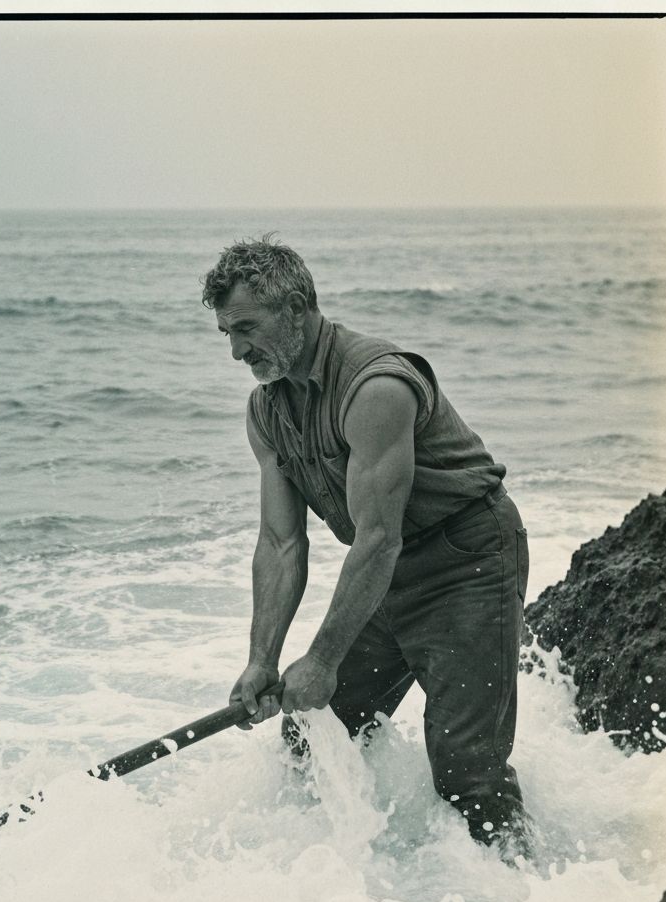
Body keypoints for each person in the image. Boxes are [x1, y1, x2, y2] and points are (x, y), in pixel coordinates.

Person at [201, 235, 531, 855]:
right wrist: (261, 660)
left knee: (468, 772)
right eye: (226, 333)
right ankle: (360, 875)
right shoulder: (266, 409)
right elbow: (279, 543)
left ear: (295, 306)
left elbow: (377, 539)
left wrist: (321, 661)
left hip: (467, 560)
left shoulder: (377, 386)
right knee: (310, 738)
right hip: (390, 574)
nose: (238, 350)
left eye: (246, 327)